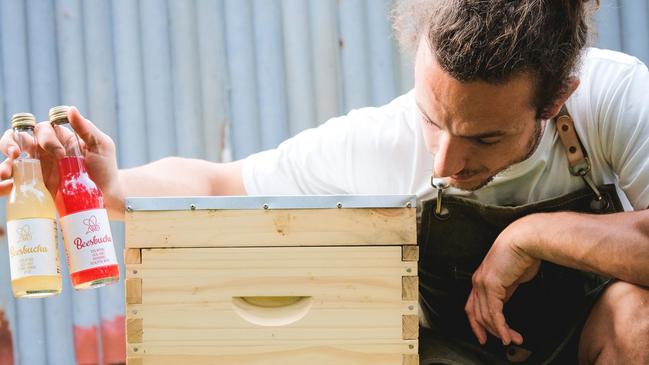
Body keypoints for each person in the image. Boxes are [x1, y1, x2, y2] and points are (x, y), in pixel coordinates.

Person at [2, 0, 648, 363]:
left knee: (636, 314)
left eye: (483, 138)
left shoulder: (611, 96)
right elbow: (225, 182)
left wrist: (539, 232)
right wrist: (113, 186)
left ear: (557, 96)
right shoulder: (377, 140)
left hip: (588, 348)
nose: (443, 162)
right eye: (432, 120)